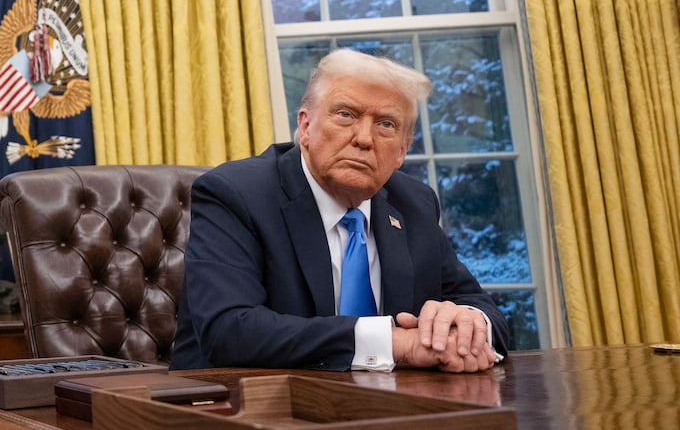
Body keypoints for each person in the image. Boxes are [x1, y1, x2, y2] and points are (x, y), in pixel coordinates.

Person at [170, 49, 510, 374]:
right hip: (236, 412)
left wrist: (467, 327)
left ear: (403, 152)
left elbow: (484, 310)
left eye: (386, 125)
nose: (364, 138)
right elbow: (230, 330)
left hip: (388, 412)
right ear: (305, 127)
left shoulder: (413, 204)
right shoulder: (235, 194)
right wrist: (395, 344)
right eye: (346, 114)